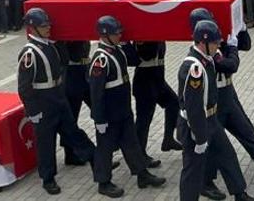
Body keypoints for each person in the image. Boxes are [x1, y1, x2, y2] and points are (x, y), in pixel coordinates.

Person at [188, 9, 254, 200]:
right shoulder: (203, 49)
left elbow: (245, 45)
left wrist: (240, 29)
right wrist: (232, 47)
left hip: (227, 94)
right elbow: (230, 65)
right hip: (214, 99)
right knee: (215, 146)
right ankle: (206, 182)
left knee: (246, 131)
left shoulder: (214, 39)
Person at [177, 19, 254, 201]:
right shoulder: (194, 68)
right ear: (203, 42)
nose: (218, 46)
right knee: (192, 171)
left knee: (227, 155)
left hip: (211, 119)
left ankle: (240, 195)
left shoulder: (205, 59)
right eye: (215, 42)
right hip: (196, 125)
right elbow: (193, 108)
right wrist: (199, 138)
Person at [17, 8, 95, 195]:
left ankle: (95, 159)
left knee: (74, 132)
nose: (48, 28)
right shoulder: (29, 53)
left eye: (48, 25)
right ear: (32, 28)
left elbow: (64, 63)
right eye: (44, 26)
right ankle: (48, 177)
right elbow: (24, 88)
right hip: (42, 104)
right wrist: (33, 112)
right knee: (46, 142)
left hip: (58, 99)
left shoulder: (50, 45)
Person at [87, 15, 166, 197]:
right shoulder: (101, 59)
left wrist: (128, 42)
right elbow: (96, 93)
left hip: (123, 110)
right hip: (109, 113)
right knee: (105, 148)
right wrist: (99, 118)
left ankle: (142, 174)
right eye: (116, 34)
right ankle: (103, 182)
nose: (119, 36)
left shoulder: (118, 50)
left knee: (131, 144)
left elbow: (135, 60)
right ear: (105, 35)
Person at [132, 41, 182, 166]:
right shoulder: (144, 32)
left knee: (174, 103)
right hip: (145, 81)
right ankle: (139, 156)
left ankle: (168, 140)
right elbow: (146, 55)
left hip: (158, 78)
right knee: (144, 120)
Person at [55, 40, 94, 166]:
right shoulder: (66, 35)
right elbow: (67, 56)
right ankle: (70, 154)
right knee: (72, 117)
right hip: (72, 73)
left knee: (100, 112)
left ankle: (103, 153)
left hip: (85, 71)